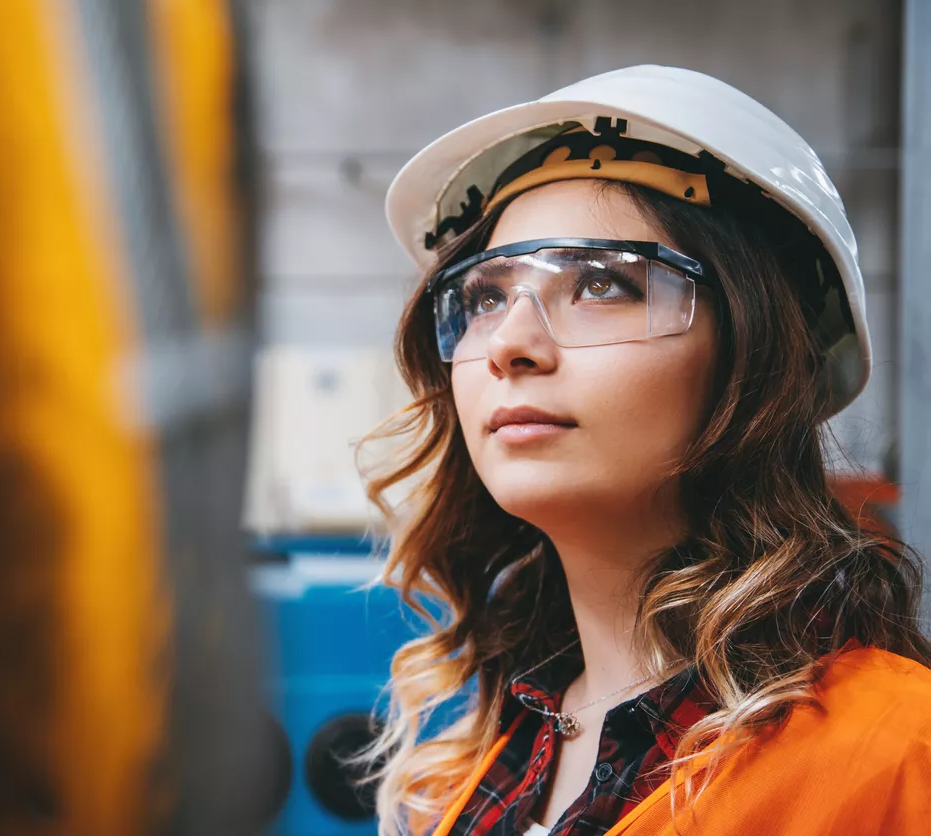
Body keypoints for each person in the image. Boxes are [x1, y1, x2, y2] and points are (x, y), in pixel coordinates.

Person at [360, 65, 931, 836]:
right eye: (486, 296)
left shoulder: (898, 755)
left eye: (600, 285)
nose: (509, 345)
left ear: (752, 355)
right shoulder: (471, 766)